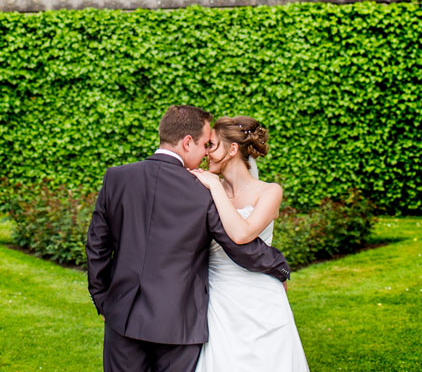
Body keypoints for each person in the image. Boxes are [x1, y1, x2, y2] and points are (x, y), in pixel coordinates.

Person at [86, 105, 291, 372]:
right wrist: (279, 266)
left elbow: (97, 247)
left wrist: (102, 300)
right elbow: (237, 246)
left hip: (122, 317)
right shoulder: (202, 189)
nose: (207, 152)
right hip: (179, 325)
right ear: (187, 143)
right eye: (206, 144)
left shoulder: (117, 178)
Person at [189, 116, 310, 372]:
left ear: (232, 149)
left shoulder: (269, 191)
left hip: (261, 295)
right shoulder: (204, 188)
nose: (205, 153)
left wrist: (215, 188)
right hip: (218, 295)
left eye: (211, 145)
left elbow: (242, 235)